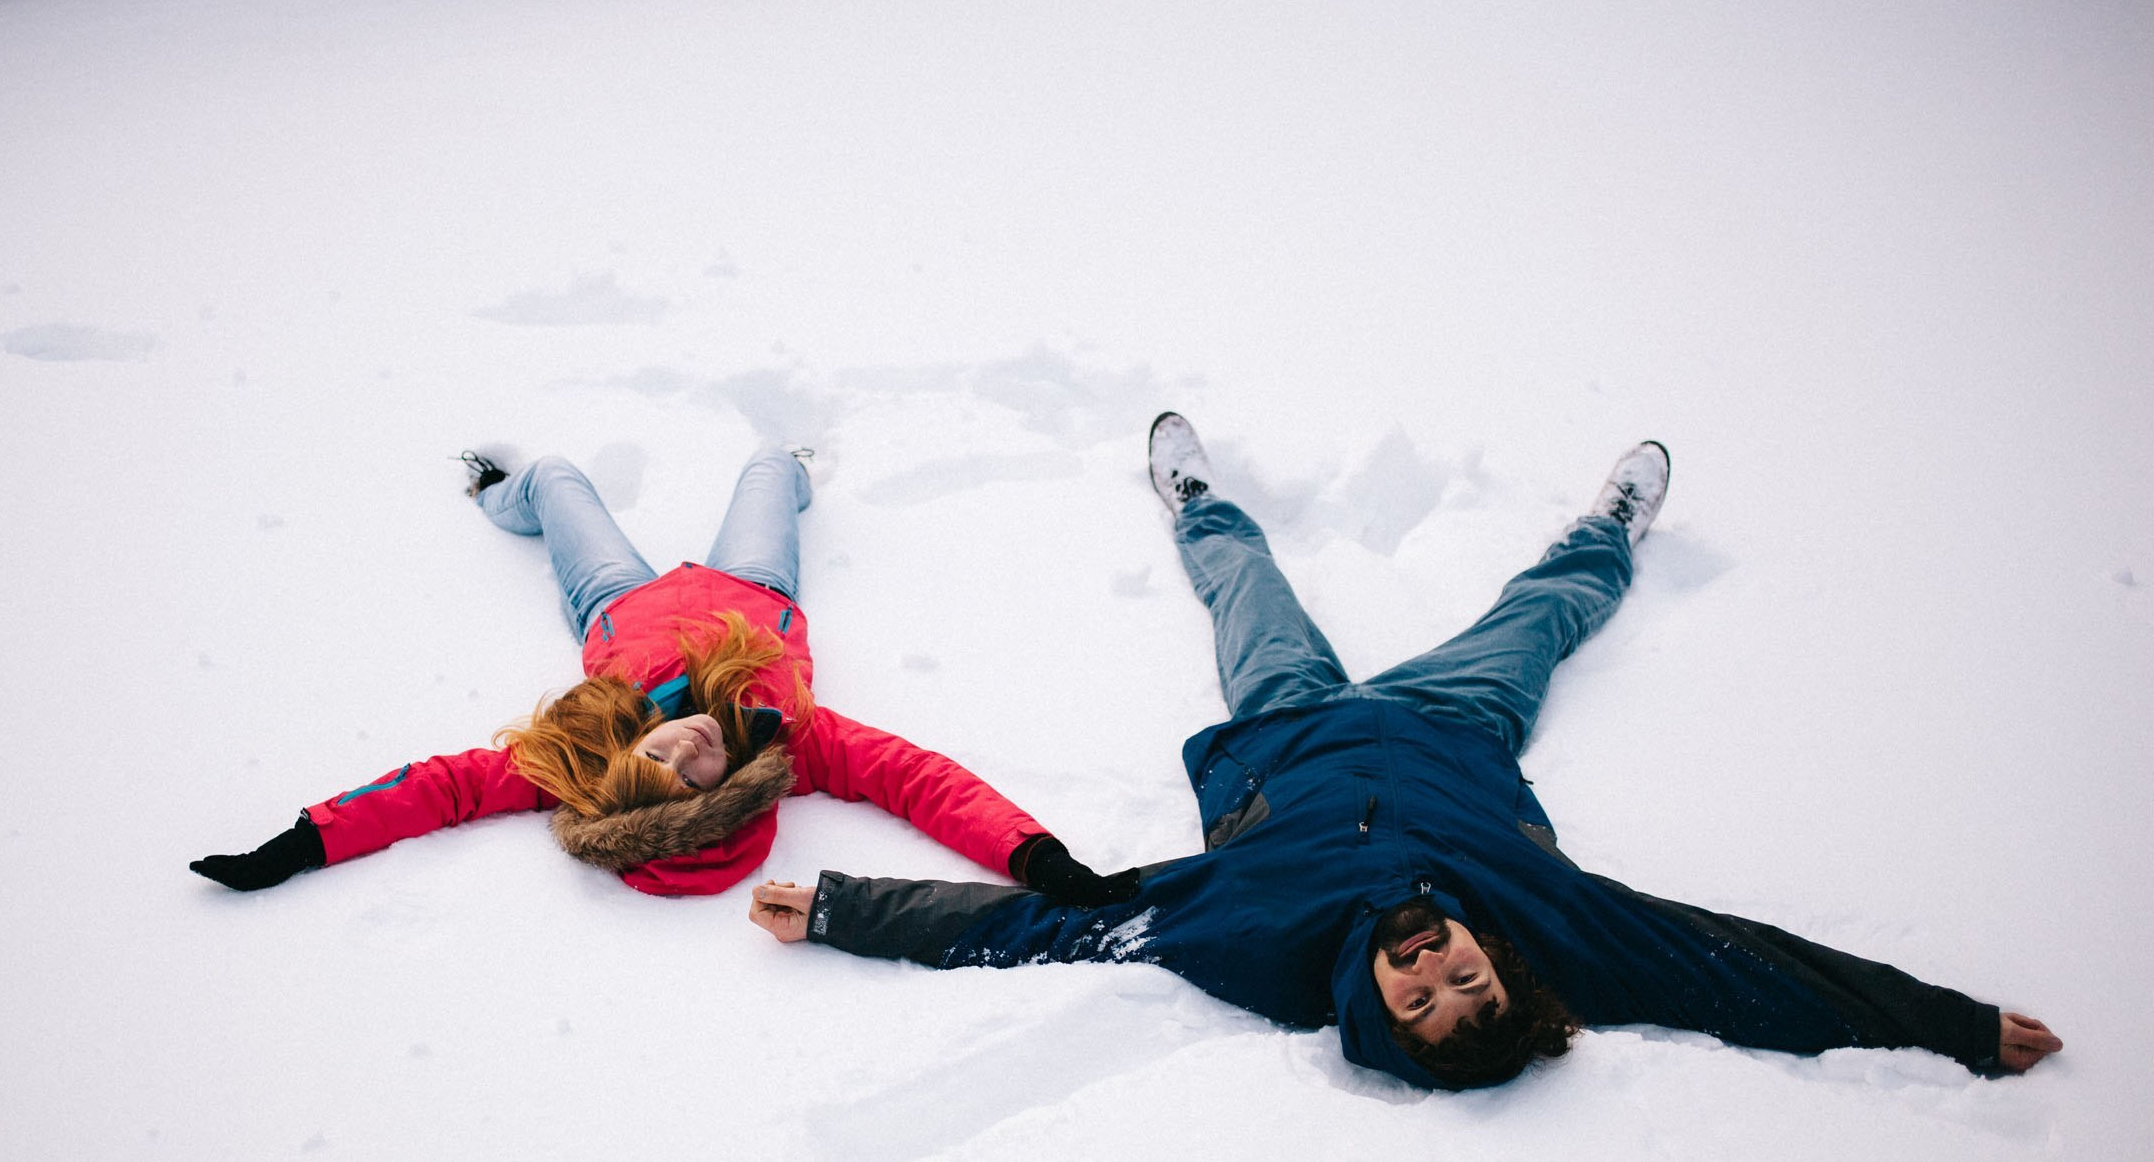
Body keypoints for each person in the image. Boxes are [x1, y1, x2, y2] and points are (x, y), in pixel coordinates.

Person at [746, 415, 2063, 1089]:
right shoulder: (1566, 931)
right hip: (1452, 724)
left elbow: (1040, 931)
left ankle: (1198, 500)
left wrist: (857, 909)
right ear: (1508, 977)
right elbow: (1747, 974)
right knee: (1544, 613)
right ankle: (1612, 522)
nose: (1437, 968)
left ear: (1372, 1014)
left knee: (1245, 591)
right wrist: (1948, 1027)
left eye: (1418, 1000)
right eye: (1468, 987)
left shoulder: (1247, 940)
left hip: (1289, 729)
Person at [192, 444, 1137, 903]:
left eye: (664, 758)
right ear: (739, 786)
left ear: (622, 762)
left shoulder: (577, 757)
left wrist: (298, 844)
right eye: (703, 770)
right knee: (770, 465)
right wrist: (1035, 857)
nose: (691, 743)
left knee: (558, 477)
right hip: (751, 583)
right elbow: (923, 783)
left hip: (616, 599)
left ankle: (497, 493)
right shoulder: (792, 742)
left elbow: (433, 792)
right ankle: (802, 470)